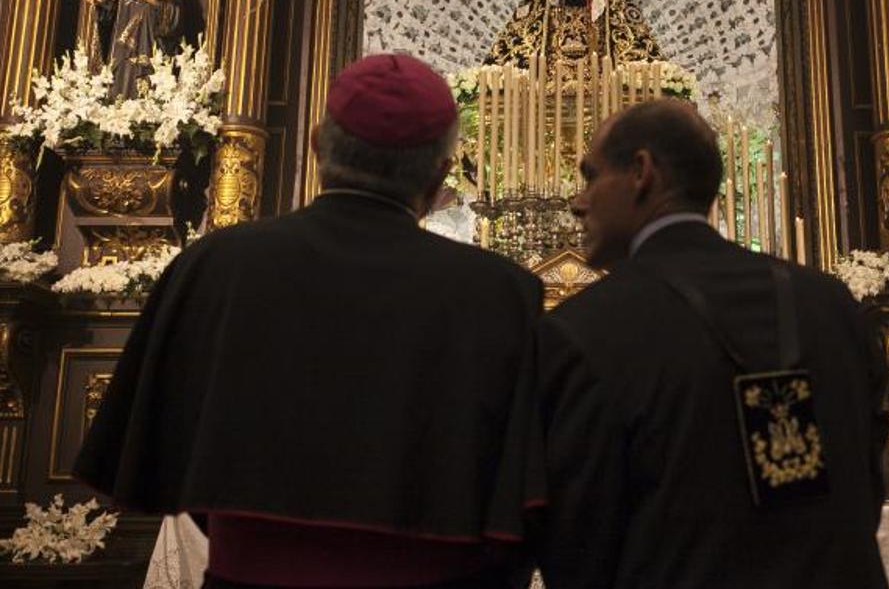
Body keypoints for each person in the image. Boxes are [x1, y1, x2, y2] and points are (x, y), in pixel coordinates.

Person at [74, 54, 545, 588]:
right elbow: (520, 504)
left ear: (318, 145)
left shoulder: (215, 266)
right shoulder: (501, 293)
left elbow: (164, 452)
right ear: (441, 175)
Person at [532, 99, 889, 588]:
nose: (578, 201)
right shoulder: (831, 305)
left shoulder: (586, 328)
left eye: (591, 176)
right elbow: (865, 487)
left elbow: (579, 545)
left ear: (641, 171)